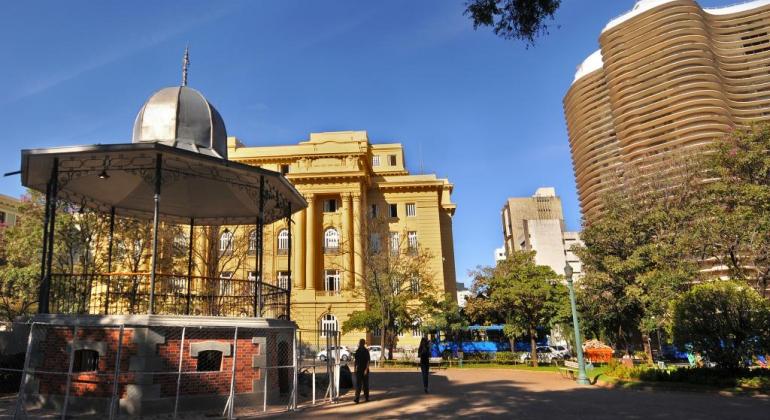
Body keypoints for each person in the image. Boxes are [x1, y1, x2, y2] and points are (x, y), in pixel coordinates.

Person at [353, 338, 370, 403]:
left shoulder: (366, 351)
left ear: (363, 343)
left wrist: (366, 369)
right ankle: (357, 399)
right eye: (360, 343)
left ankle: (367, 397)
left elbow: (368, 361)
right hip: (359, 370)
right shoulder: (357, 351)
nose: (360, 344)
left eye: (361, 343)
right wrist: (354, 369)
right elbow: (355, 361)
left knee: (365, 385)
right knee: (358, 385)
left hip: (365, 370)